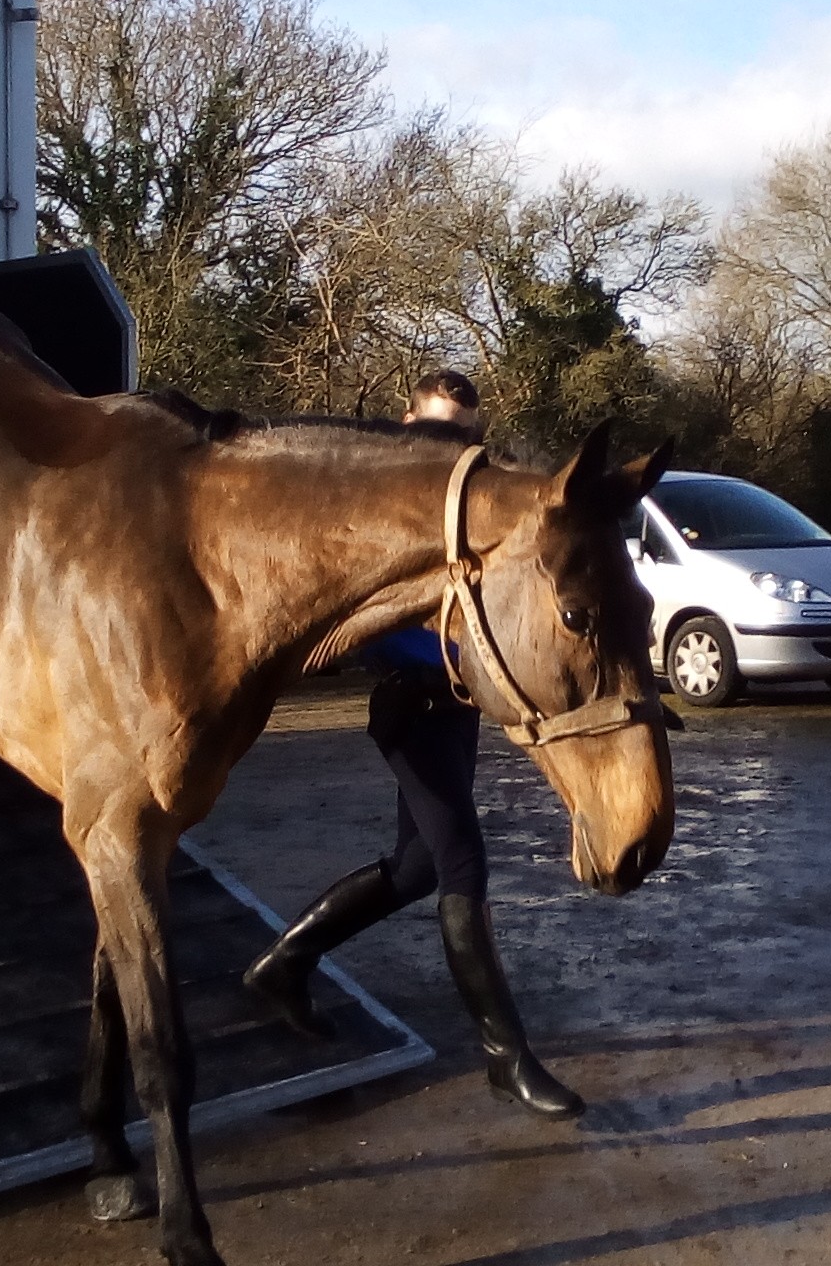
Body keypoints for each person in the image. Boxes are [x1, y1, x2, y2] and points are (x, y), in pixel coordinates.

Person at [241, 369, 585, 1119]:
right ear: (405, 426)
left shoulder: (463, 522)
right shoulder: (377, 519)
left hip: (455, 713)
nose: (449, 448)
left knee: (418, 867)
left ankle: (285, 961)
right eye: (435, 433)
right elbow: (367, 625)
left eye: (462, 437)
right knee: (463, 862)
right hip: (407, 708)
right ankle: (508, 1058)